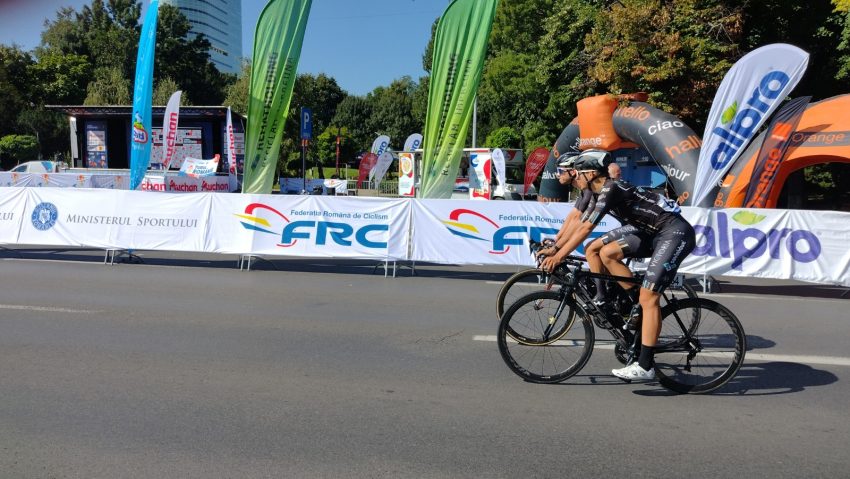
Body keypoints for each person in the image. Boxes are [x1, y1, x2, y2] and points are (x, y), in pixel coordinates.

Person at [541, 149, 696, 381]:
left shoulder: (610, 189)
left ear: (591, 173)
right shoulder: (596, 191)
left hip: (673, 233)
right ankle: (634, 304)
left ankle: (645, 366)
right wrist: (556, 248)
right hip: (648, 231)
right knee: (608, 252)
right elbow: (580, 222)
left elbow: (585, 229)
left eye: (579, 173)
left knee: (649, 298)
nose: (576, 177)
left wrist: (560, 255)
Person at [534, 153, 593, 260]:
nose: (557, 175)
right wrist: (557, 239)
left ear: (572, 171)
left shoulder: (589, 190)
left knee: (593, 250)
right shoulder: (584, 191)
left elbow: (579, 223)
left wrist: (556, 248)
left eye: (560, 171)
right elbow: (572, 216)